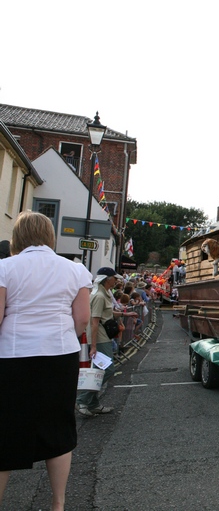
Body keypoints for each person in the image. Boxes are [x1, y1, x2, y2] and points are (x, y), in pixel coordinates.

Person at [0, 211, 92, 511]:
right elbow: (82, 319)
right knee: (58, 428)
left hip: (13, 354)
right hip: (60, 354)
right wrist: (63, 335)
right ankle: (58, 504)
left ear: (18, 236)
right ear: (50, 235)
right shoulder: (75, 270)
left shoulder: (4, 267)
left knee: (6, 430)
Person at [75, 267, 126, 417]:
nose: (116, 281)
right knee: (107, 370)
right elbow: (94, 322)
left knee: (98, 371)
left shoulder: (104, 295)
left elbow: (106, 315)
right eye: (114, 278)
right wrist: (94, 346)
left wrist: (125, 313)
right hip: (100, 339)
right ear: (107, 279)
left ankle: (93, 404)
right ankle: (82, 399)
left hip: (103, 337)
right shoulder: (99, 296)